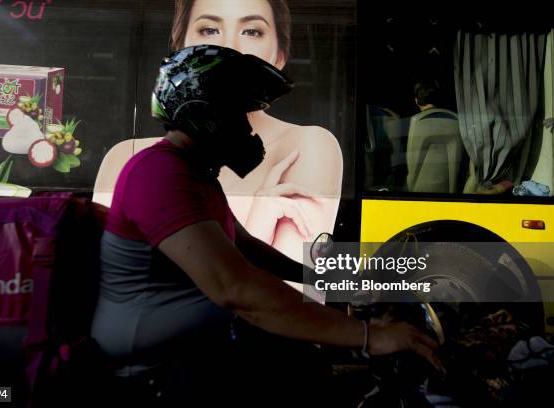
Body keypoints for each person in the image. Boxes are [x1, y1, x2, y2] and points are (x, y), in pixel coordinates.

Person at [91, 45, 442, 404]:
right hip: (154, 376)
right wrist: (369, 336)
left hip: (197, 356)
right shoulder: (159, 172)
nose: (248, 130)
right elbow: (235, 287)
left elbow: (245, 248)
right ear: (202, 113)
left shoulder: (196, 174)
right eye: (239, 115)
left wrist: (322, 280)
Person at [94, 0, 342, 264]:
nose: (229, 48)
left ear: (280, 55)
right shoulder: (155, 167)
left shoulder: (205, 176)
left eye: (252, 31)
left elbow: (248, 249)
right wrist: (260, 220)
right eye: (209, 30)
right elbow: (224, 285)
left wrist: (317, 274)